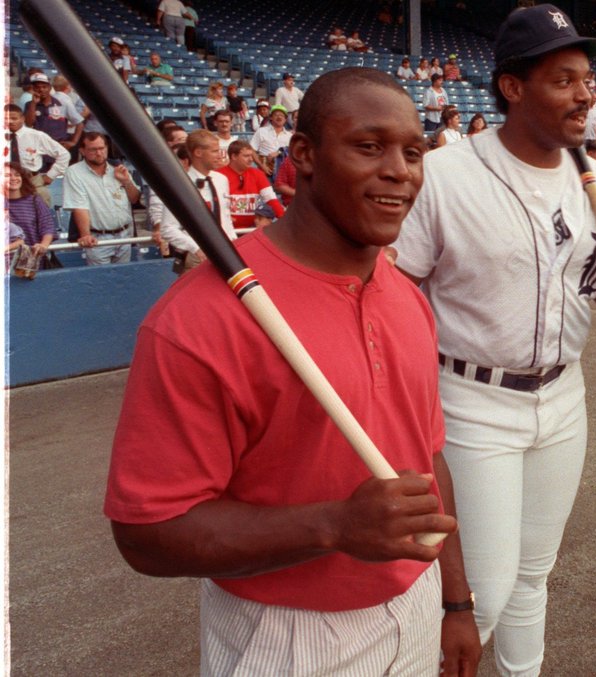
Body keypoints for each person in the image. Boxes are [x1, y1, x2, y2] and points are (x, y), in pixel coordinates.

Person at [103, 67, 481, 677]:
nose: (399, 171)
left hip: (415, 606)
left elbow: (427, 461)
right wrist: (333, 525)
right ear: (303, 155)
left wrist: (455, 600)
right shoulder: (198, 319)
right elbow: (146, 534)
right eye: (368, 145)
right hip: (285, 634)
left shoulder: (406, 296)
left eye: (413, 152)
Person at [390, 7, 596, 675]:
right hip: (470, 398)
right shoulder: (445, 173)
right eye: (564, 78)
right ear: (513, 87)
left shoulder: (594, 176)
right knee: (478, 597)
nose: (586, 94)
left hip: (562, 396)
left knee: (532, 576)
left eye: (588, 79)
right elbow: (394, 291)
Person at [62, 132, 140, 266]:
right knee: (102, 281)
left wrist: (126, 181)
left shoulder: (118, 168)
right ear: (82, 151)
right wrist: (86, 235)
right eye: (93, 149)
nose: (99, 153)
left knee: (122, 280)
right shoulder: (74, 172)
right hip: (98, 238)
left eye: (102, 148)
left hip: (125, 234)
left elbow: (134, 199)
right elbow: (79, 206)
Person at [5, 103, 70, 208]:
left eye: (14, 118)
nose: (10, 121)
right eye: (6, 118)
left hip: (32, 182)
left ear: (22, 119)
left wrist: (51, 175)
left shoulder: (36, 136)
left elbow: (63, 154)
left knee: (40, 214)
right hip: (5, 184)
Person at [217, 139, 284, 231]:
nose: (251, 159)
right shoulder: (218, 175)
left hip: (252, 230)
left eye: (251, 155)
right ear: (234, 156)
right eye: (246, 156)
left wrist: (283, 219)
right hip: (226, 230)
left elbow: (271, 199)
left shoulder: (258, 174)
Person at [5, 162, 57, 269]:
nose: (13, 178)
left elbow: (47, 227)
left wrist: (43, 245)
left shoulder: (34, 200)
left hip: (31, 259)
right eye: (7, 176)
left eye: (17, 175)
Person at [250, 105, 292, 176]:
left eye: (282, 115)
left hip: (284, 172)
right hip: (264, 170)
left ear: (285, 119)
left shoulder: (290, 136)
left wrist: (279, 152)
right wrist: (262, 166)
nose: (279, 117)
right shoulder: (261, 131)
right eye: (276, 115)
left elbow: (292, 153)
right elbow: (251, 150)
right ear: (271, 117)